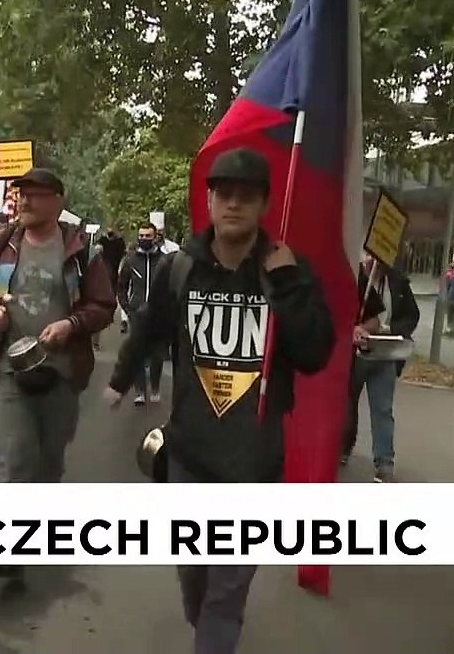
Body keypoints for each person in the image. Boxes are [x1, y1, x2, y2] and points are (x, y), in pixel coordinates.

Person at [105, 148, 335, 654]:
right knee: (197, 580)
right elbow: (148, 328)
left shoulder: (286, 272)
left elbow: (316, 353)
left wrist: (291, 283)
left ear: (263, 205)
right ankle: (207, 626)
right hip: (190, 458)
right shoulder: (179, 269)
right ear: (209, 200)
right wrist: (120, 380)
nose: (234, 205)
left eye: (246, 197)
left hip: (254, 465)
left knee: (225, 597)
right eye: (224, 194)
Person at [0, 168, 116, 582]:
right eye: (20, 194)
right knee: (14, 456)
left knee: (49, 460)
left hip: (62, 372)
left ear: (57, 201)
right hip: (11, 370)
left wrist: (71, 325)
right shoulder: (0, 245)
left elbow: (104, 305)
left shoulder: (81, 250)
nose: (24, 202)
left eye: (34, 195)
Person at [342, 252, 421, 482]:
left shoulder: (396, 281)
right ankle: (343, 447)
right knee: (347, 403)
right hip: (357, 353)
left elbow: (411, 314)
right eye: (367, 254)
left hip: (386, 352)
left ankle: (384, 463)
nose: (370, 258)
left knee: (383, 409)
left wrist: (399, 331)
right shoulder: (356, 277)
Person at [117, 222, 168, 405]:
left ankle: (154, 387)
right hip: (136, 313)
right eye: (142, 235)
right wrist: (127, 309)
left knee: (157, 354)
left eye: (148, 236)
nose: (144, 239)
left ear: (155, 237)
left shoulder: (164, 261)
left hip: (158, 315)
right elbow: (121, 287)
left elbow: (171, 287)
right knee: (137, 353)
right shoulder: (130, 260)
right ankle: (139, 391)